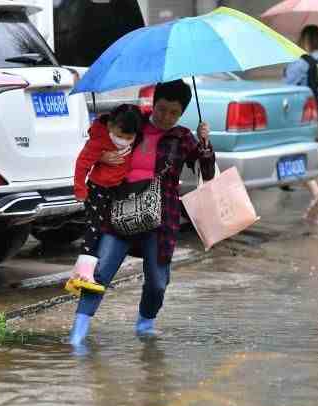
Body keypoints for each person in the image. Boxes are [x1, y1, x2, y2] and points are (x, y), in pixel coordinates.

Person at [69, 79, 215, 347]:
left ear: (182, 113)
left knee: (158, 281)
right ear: (153, 103)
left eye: (174, 113)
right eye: (161, 109)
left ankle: (145, 323)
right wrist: (101, 157)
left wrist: (205, 143)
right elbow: (101, 134)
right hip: (119, 213)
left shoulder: (183, 137)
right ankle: (78, 330)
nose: (166, 117)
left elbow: (206, 171)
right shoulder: (134, 123)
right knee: (99, 272)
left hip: (162, 218)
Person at [67, 104, 144, 294]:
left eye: (129, 138)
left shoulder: (134, 135)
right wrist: (80, 189)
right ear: (110, 126)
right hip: (97, 190)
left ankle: (82, 274)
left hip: (116, 191)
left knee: (105, 231)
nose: (123, 141)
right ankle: (84, 274)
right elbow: (82, 164)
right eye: (120, 136)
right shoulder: (98, 141)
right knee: (93, 229)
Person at [284, 25, 318, 225]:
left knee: (292, 156)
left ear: (305, 40)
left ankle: (316, 193)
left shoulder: (301, 63)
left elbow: (287, 91)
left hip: (309, 118)